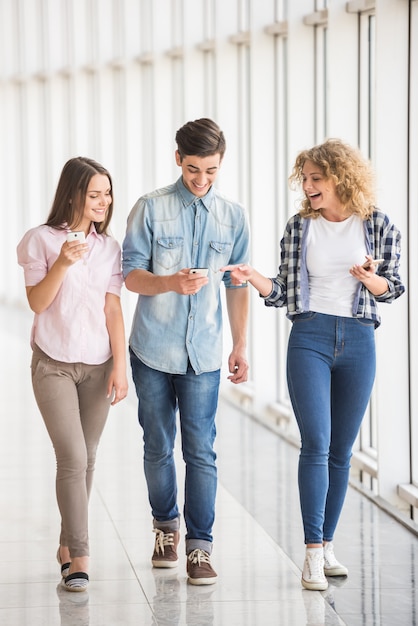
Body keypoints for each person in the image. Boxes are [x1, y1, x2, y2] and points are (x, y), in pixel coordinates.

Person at [221, 138, 405, 591]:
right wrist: (252, 276)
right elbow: (282, 290)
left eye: (314, 178)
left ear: (340, 178)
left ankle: (326, 544)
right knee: (316, 442)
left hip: (359, 340)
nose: (306, 186)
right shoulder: (300, 227)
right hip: (310, 338)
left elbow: (394, 287)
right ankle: (310, 554)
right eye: (303, 178)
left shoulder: (377, 224)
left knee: (342, 451)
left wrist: (371, 280)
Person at [122, 118, 250, 585]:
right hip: (153, 349)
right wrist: (169, 283)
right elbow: (130, 275)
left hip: (206, 353)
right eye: (194, 168)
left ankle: (200, 546)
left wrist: (240, 343)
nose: (201, 179)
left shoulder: (233, 217)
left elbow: (238, 285)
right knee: (158, 446)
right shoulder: (150, 209)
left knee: (201, 450)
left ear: (221, 164)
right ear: (178, 159)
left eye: (211, 171)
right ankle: (164, 527)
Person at [17, 157, 128, 592]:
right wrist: (62, 263)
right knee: (73, 458)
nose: (103, 202)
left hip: (98, 364)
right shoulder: (40, 241)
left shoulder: (110, 248)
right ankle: (80, 556)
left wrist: (121, 367)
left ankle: (66, 547)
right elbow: (37, 303)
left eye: (107, 193)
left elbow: (113, 309)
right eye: (94, 194)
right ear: (73, 194)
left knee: (89, 456)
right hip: (53, 364)